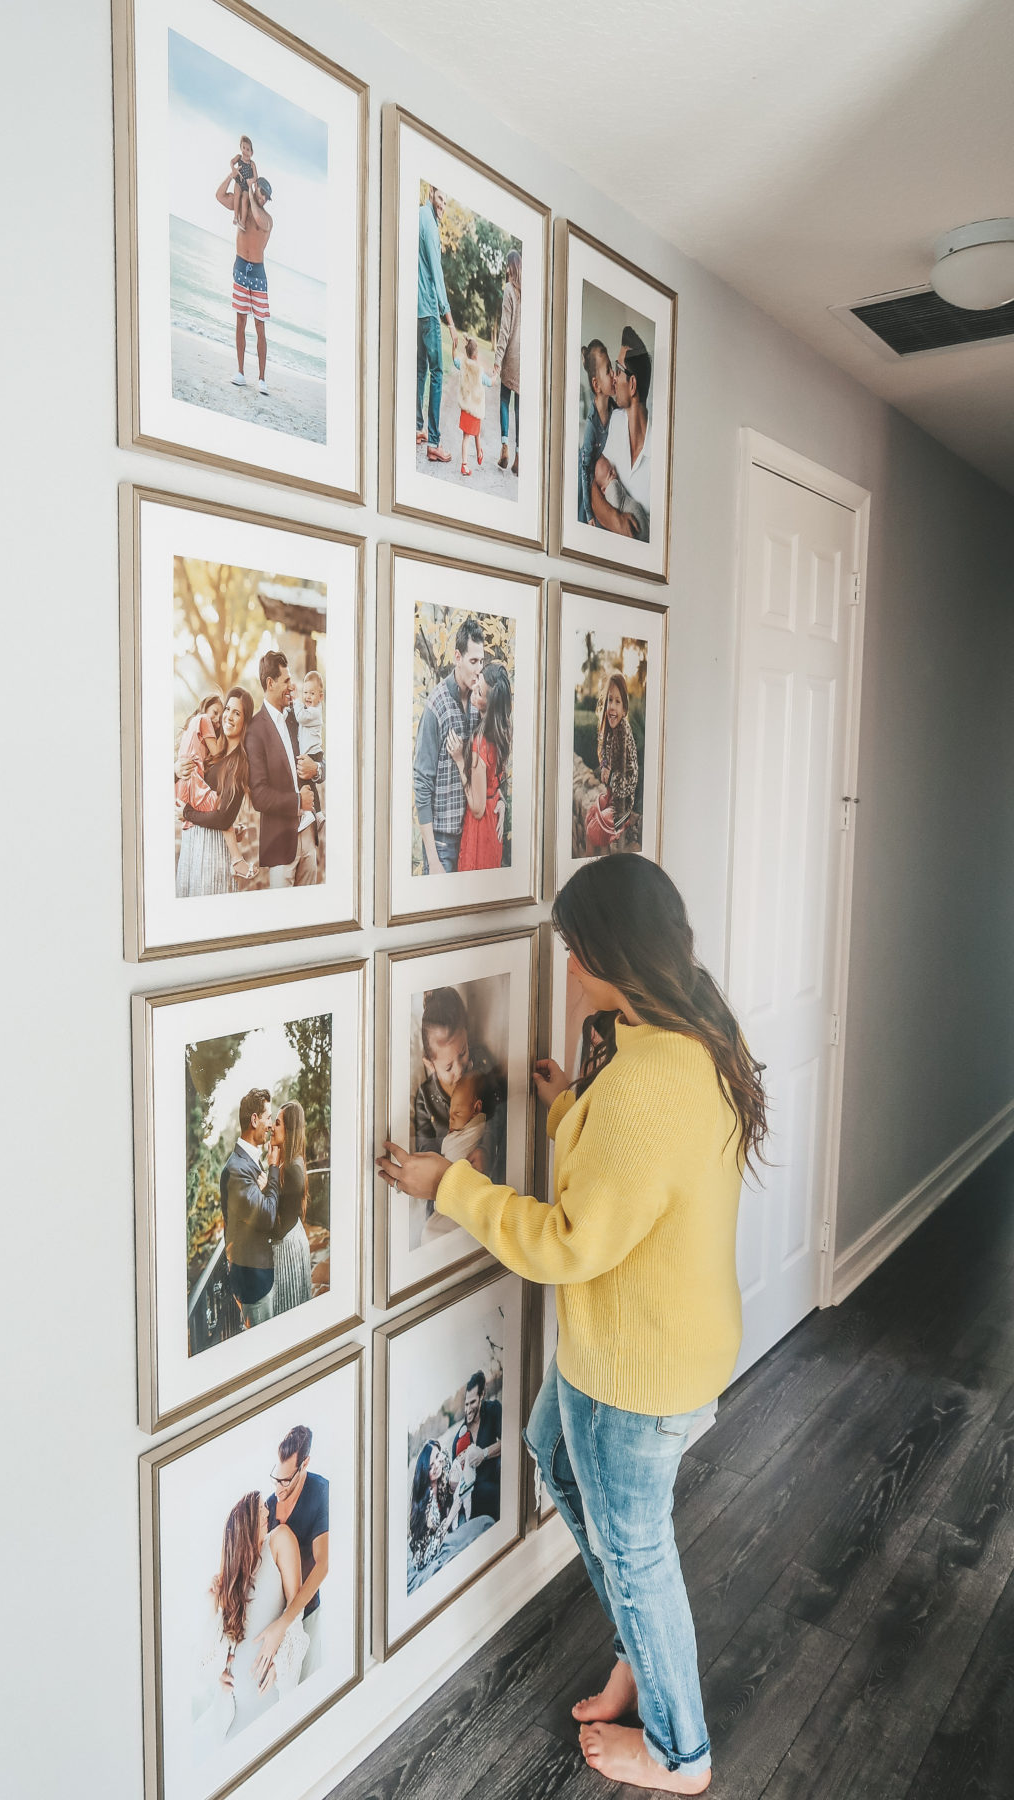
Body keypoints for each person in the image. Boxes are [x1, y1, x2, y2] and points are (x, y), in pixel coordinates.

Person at [377, 855, 768, 1794]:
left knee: (640, 1553)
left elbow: (565, 1246)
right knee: (551, 1454)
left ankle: (683, 1753)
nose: (564, 962)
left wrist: (452, 1184)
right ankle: (640, 1646)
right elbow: (633, 1180)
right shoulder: (686, 1036)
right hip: (642, 1346)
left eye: (568, 946)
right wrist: (565, 1109)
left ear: (599, 953)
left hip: (636, 1371)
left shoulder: (647, 1080)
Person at [193, 1491, 307, 1750]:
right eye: (260, 1509)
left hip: (270, 1703)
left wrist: (280, 1663)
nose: (268, 1511)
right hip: (230, 1718)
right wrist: (219, 1675)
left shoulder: (278, 1541)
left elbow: (296, 1611)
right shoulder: (232, 1583)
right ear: (244, 1521)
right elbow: (209, 1657)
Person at [412, 617, 484, 876]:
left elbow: (493, 759)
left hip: (471, 835)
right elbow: (422, 783)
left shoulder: (480, 702)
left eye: (481, 661)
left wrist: (500, 802)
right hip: (442, 843)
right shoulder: (436, 705)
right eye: (473, 661)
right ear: (457, 657)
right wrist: (433, 858)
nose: (478, 670)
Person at [245, 651, 321, 888]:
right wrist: (298, 802)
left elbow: (321, 760)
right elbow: (259, 795)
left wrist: (316, 769)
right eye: (286, 681)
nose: (292, 686)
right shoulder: (255, 730)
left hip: (308, 836)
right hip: (280, 845)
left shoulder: (297, 717)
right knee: (284, 917)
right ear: (270, 683)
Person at [412, 986, 506, 1177]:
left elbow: (501, 1112)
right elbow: (425, 1149)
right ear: (430, 1064)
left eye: (463, 1052)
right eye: (447, 1067)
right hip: (448, 1184)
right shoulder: (426, 1098)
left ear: (466, 1033)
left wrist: (486, 1150)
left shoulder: (481, 1064)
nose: (459, 1069)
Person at [259, 1425, 329, 1681]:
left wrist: (286, 1623)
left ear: (305, 1464)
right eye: (275, 1478)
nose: (278, 1488)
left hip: (306, 1613)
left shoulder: (320, 1492)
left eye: (286, 1480)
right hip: (272, 1619)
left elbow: (323, 1565)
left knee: (308, 1683)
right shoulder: (267, 1506)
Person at [176, 687, 256, 892]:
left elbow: (223, 818)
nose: (228, 716)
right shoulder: (213, 756)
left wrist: (187, 813)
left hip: (211, 852)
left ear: (245, 721)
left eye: (236, 713)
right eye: (227, 709)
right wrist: (175, 770)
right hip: (192, 847)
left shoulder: (239, 764)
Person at [220, 1087, 281, 1328]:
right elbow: (266, 1216)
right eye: (268, 1118)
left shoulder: (247, 1162)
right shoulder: (237, 1170)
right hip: (254, 1283)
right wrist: (274, 1169)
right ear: (254, 1119)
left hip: (261, 1273)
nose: (270, 1125)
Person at [216, 162, 274, 396]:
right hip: (241, 267)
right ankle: (240, 373)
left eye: (267, 198)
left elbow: (259, 220)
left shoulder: (266, 218)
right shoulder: (241, 208)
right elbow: (219, 196)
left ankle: (261, 379)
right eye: (263, 194)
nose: (265, 199)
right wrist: (232, 176)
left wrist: (251, 194)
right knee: (240, 321)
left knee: (259, 325)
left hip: (258, 273)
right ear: (257, 188)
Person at [449, 660, 512, 872]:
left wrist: (459, 760)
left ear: (489, 705)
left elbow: (477, 808)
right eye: (479, 680)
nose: (475, 686)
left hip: (482, 826)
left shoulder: (480, 742)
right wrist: (501, 801)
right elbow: (494, 781)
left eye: (480, 691)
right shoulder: (501, 732)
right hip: (493, 821)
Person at [591, 328, 652, 540]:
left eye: (618, 370)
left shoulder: (661, 455)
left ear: (633, 385)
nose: (614, 378)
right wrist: (616, 520)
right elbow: (591, 482)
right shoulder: (616, 421)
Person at [415, 186, 459, 465]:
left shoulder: (418, 215)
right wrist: (450, 322)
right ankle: (433, 441)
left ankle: (416, 427)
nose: (443, 204)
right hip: (429, 311)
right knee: (438, 372)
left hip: (416, 309)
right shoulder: (430, 226)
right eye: (441, 197)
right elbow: (437, 273)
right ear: (431, 192)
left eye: (445, 200)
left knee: (420, 370)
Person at [583, 672, 639, 855]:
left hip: (622, 804)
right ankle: (590, 870)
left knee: (595, 831)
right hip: (612, 795)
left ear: (624, 709)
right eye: (610, 700)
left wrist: (612, 776)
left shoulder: (624, 734)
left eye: (617, 701)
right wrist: (605, 766)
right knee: (589, 817)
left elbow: (631, 778)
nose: (612, 707)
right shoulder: (610, 730)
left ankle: (601, 870)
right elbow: (606, 754)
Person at [271, 1102, 313, 1316]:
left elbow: (278, 1227)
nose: (271, 1127)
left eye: (277, 1123)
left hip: (288, 1249)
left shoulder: (291, 1169)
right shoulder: (289, 1163)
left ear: (288, 1129)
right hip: (292, 1240)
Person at [449, 1369, 502, 1523]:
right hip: (471, 1495)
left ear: (482, 1396)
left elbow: (510, 1440)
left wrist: (484, 1454)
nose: (468, 1409)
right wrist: (454, 1480)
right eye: (466, 1404)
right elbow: (455, 1482)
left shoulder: (493, 1410)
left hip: (495, 1481)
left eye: (472, 1402)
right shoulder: (460, 1436)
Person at [408, 1440, 463, 1579]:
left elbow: (445, 1454)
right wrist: (450, 1517)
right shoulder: (426, 1505)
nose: (437, 1465)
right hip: (424, 1551)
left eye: (437, 1458)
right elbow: (425, 1556)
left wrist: (451, 1487)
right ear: (424, 1473)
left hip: (445, 1528)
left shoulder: (442, 1466)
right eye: (431, 1466)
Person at [578, 340, 617, 526]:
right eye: (609, 370)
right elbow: (585, 470)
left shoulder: (616, 412)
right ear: (597, 385)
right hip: (590, 491)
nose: (614, 374)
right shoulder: (591, 426)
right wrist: (589, 514)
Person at [491, 248, 522, 476]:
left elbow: (505, 329)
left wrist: (497, 361)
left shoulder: (509, 290)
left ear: (510, 267)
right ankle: (520, 455)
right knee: (520, 408)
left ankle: (504, 446)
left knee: (504, 399)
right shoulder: (528, 293)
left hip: (511, 354)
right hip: (526, 360)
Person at [451, 336, 493, 476]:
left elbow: (455, 359)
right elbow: (490, 382)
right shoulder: (479, 371)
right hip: (475, 407)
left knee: (470, 434)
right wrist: (496, 375)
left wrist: (454, 347)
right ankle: (466, 464)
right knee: (472, 435)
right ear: (476, 355)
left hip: (466, 407)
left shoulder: (462, 364)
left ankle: (477, 453)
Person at [291, 670, 326, 830]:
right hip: (312, 752)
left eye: (312, 693)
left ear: (321, 696)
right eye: (305, 692)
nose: (307, 696)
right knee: (311, 786)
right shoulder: (310, 710)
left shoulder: (314, 712)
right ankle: (318, 814)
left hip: (312, 754)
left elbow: (300, 717)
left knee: (303, 782)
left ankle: (308, 814)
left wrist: (296, 699)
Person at [439, 1071, 486, 1164]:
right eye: (450, 1114)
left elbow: (446, 1146)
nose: (450, 1119)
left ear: (476, 1109)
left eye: (457, 1113)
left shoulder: (478, 1128)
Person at [230, 133, 256, 231]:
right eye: (243, 148)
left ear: (251, 152)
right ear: (240, 147)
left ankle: (242, 222)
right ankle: (236, 217)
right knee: (237, 194)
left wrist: (251, 180)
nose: (245, 151)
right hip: (238, 180)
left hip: (246, 186)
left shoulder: (252, 164)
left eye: (248, 149)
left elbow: (255, 177)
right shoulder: (238, 157)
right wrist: (234, 169)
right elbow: (231, 162)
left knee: (244, 200)